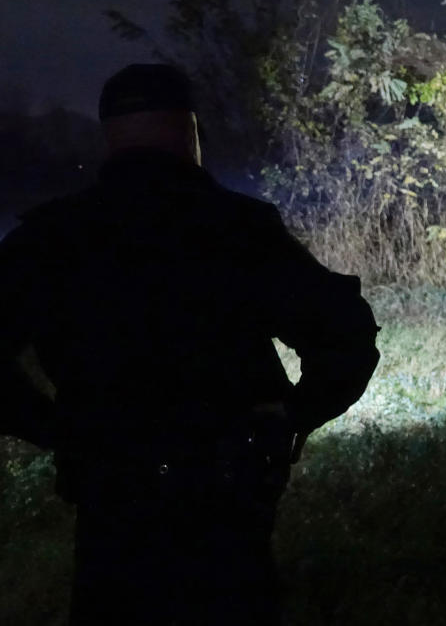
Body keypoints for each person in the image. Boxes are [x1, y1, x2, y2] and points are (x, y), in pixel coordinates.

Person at [0, 64, 380, 626]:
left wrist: (56, 430)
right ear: (191, 132)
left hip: (111, 490)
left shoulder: (52, 236)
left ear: (108, 136)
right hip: (229, 490)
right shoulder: (238, 227)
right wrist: (296, 413)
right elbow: (344, 331)